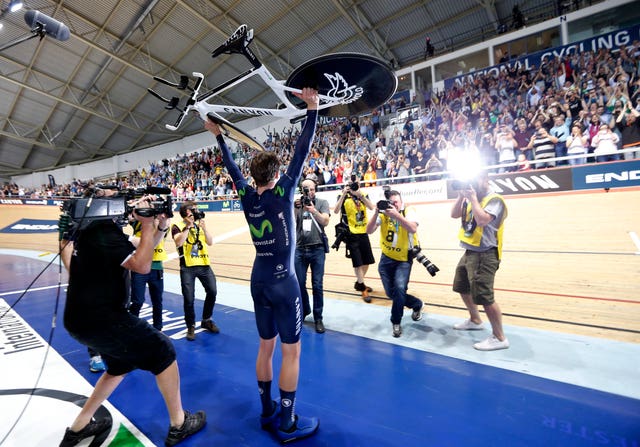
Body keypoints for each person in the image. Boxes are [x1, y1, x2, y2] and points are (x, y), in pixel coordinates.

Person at [203, 87, 320, 443]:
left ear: (254, 177)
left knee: (264, 347)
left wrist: (220, 138)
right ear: (276, 173)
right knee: (291, 351)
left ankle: (266, 409)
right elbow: (302, 149)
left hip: (259, 279)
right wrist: (312, 109)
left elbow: (231, 167)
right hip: (285, 283)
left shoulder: (246, 194)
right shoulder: (284, 192)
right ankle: (287, 422)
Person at [58, 189, 205, 446]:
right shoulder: (105, 233)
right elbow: (142, 265)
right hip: (104, 319)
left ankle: (79, 427)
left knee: (118, 367)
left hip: (79, 319)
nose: (123, 201)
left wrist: (158, 228)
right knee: (163, 351)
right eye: (113, 195)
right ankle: (179, 423)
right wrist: (147, 224)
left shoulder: (90, 232)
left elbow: (140, 247)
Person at [450, 171, 510, 351]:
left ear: (486, 180)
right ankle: (475, 320)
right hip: (470, 251)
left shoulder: (495, 200)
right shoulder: (470, 197)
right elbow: (453, 214)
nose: (473, 184)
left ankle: (500, 338)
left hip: (485, 254)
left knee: (485, 297)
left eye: (476, 180)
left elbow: (483, 220)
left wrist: (473, 199)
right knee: (461, 286)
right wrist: (462, 197)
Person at [366, 189, 424, 338]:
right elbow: (369, 230)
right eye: (390, 202)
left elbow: (413, 228)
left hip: (403, 259)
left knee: (399, 289)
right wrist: (376, 213)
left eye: (396, 202)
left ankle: (396, 322)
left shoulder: (409, 210)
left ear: (401, 202)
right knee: (392, 293)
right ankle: (417, 304)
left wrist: (396, 215)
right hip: (386, 259)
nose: (393, 205)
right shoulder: (383, 213)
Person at [171, 201, 219, 341]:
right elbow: (179, 242)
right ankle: (190, 326)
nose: (197, 211)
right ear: (187, 212)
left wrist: (204, 229)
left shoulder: (200, 225)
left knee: (212, 291)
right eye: (194, 209)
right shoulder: (177, 226)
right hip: (187, 266)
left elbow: (210, 242)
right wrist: (188, 226)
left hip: (204, 264)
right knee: (189, 299)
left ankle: (206, 319)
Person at [294, 177, 330, 334]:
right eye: (306, 189)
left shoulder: (322, 203)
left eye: (312, 189)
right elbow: (291, 222)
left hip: (317, 249)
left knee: (317, 285)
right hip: (300, 249)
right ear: (302, 190)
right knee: (299, 283)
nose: (309, 192)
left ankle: (318, 317)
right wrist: (295, 207)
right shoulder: (297, 204)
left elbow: (326, 221)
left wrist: (313, 210)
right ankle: (305, 308)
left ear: (316, 189)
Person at [333, 174, 376, 302]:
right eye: (351, 184)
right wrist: (343, 194)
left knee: (367, 261)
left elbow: (371, 207)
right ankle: (362, 287)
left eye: (356, 183)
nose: (353, 185)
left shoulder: (363, 194)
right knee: (357, 262)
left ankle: (359, 282)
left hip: (363, 231)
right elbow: (335, 211)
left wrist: (359, 195)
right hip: (350, 233)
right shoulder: (343, 195)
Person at [129, 215, 168, 330]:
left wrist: (159, 220)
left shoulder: (164, 224)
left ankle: (158, 329)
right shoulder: (138, 222)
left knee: (157, 301)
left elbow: (157, 234)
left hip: (156, 267)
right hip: (140, 266)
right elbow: (131, 215)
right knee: (137, 301)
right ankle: (130, 329)